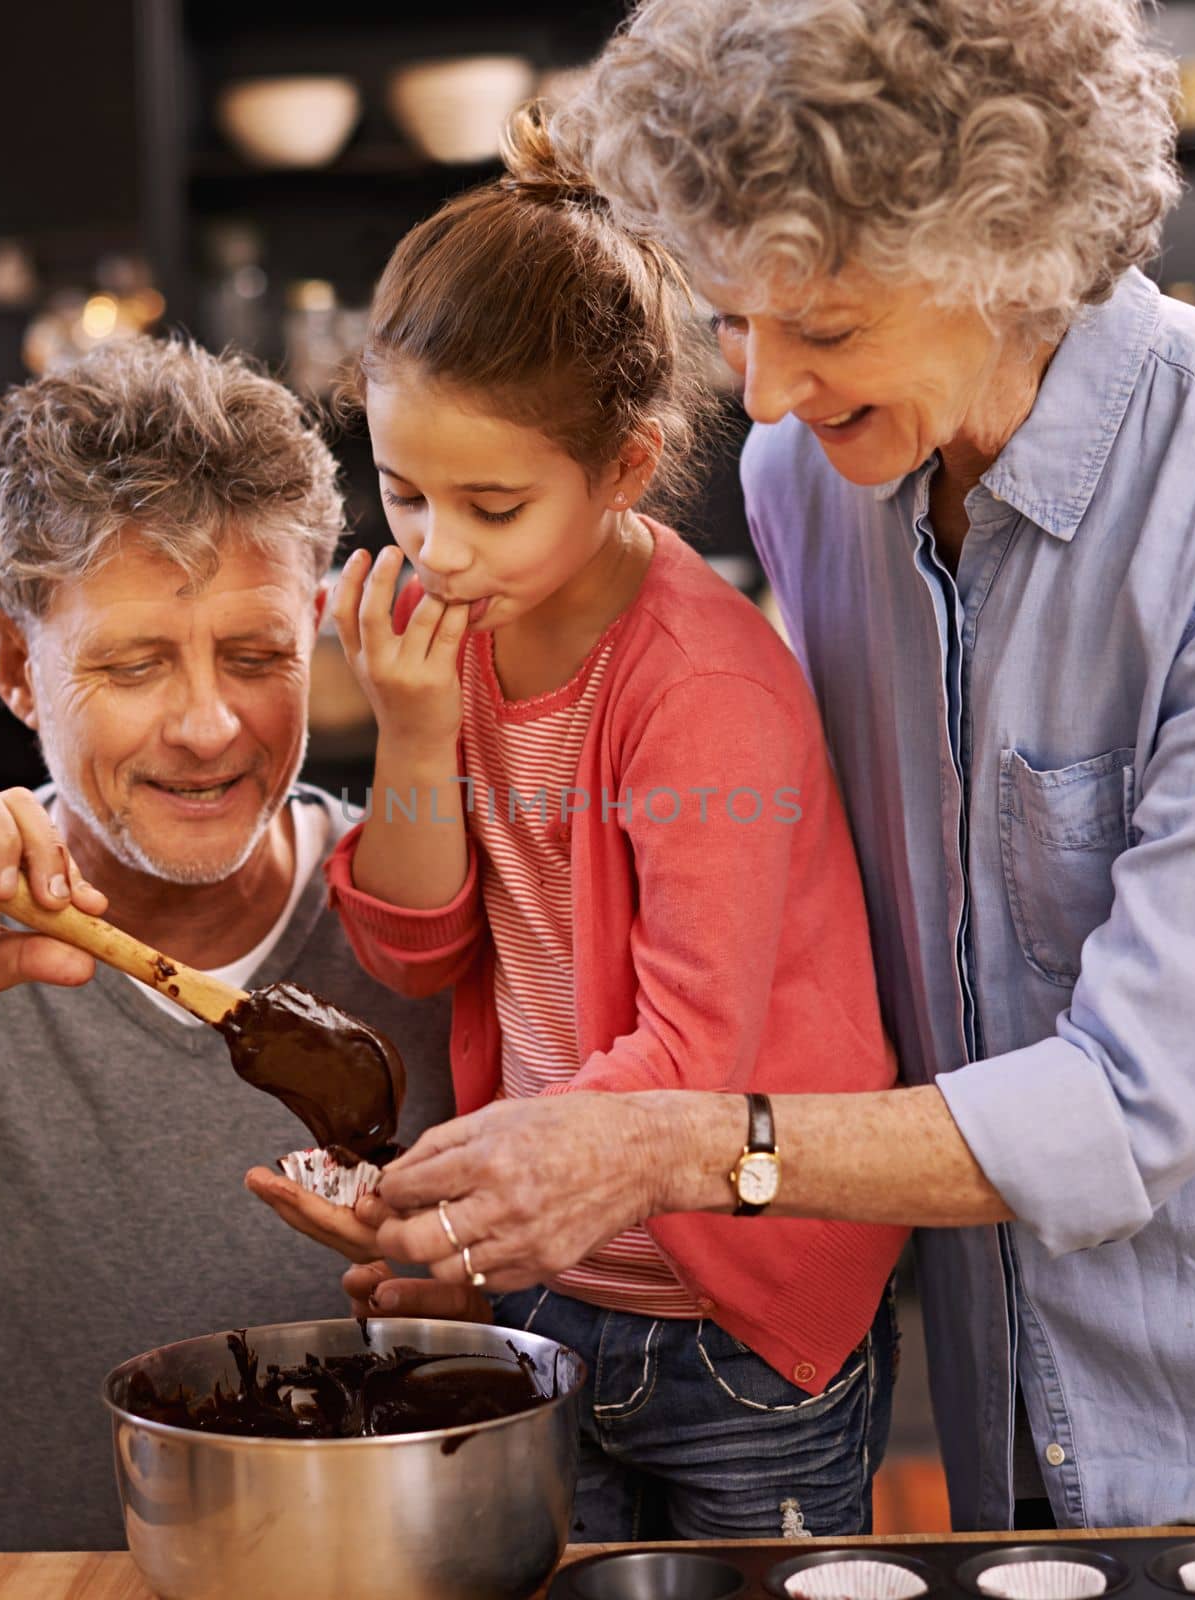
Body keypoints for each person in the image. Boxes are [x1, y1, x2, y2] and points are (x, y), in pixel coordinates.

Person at [341, 0, 1195, 1535]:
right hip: (986, 1397)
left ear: (1005, 253)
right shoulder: (807, 478)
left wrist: (678, 1142)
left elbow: (1133, 1102)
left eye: (817, 328)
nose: (757, 393)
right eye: (733, 320)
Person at [252, 108, 906, 1542]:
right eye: (405, 491)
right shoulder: (454, 638)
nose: (437, 548)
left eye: (493, 504)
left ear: (625, 468)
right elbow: (414, 949)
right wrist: (416, 730)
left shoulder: (704, 689)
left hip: (742, 1325)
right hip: (552, 1285)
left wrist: (439, 1200)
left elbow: (691, 1063)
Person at [0, 337, 453, 1600]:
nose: (207, 724)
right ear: (14, 665)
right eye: (133, 664)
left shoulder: (433, 911)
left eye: (255, 657)